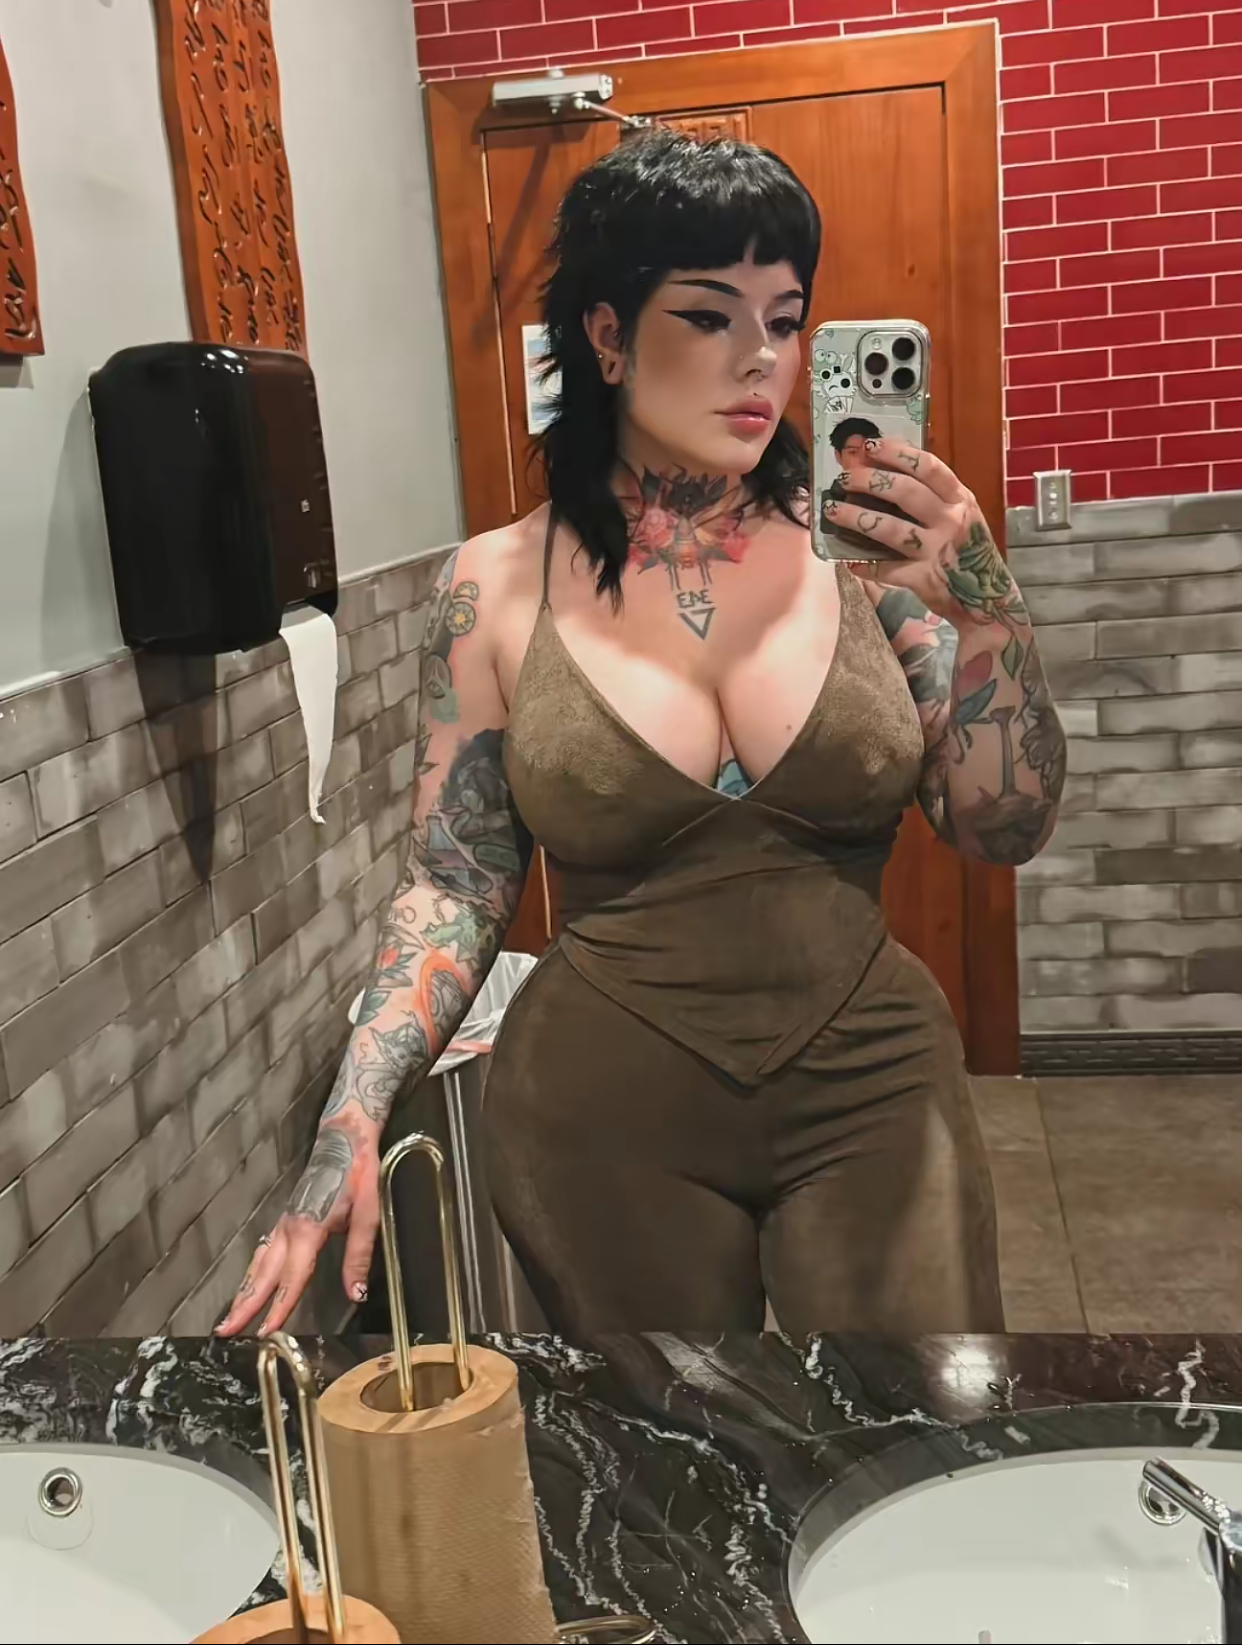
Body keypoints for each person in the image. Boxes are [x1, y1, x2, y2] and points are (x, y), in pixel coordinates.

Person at [219, 132, 1065, 1342]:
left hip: (874, 1082)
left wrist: (987, 608)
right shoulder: (494, 585)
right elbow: (456, 881)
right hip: (600, 1109)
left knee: (916, 1423)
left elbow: (1003, 826)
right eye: (709, 316)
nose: (760, 357)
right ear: (609, 337)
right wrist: (350, 1116)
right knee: (671, 1444)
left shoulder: (869, 562)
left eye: (785, 319)